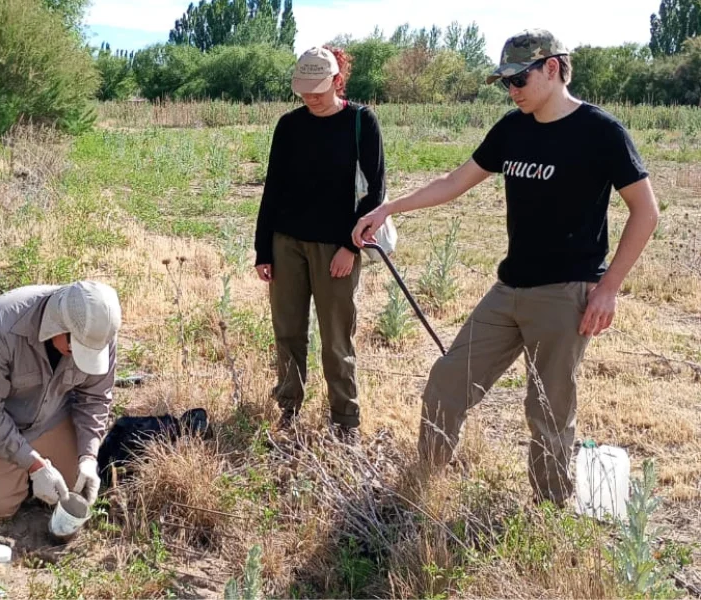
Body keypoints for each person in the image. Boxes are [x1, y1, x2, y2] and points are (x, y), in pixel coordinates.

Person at [352, 29, 659, 505]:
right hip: (509, 288)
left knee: (549, 410)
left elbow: (646, 211)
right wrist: (390, 209)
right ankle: (420, 490)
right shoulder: (512, 128)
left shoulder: (600, 132)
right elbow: (456, 181)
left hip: (566, 293)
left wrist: (608, 288)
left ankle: (551, 509)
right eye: (505, 83)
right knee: (447, 382)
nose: (512, 91)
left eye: (519, 79)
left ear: (552, 68)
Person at [254, 45, 387, 440]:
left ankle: (345, 421)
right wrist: (264, 250)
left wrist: (351, 247)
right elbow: (273, 188)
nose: (311, 96)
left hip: (337, 248)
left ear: (337, 81)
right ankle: (288, 409)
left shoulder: (362, 122)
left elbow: (374, 192)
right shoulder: (289, 126)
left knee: (336, 337)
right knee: (288, 332)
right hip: (286, 243)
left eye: (318, 88)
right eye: (304, 89)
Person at [0, 280, 121, 522]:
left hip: (50, 419)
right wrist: (34, 465)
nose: (79, 355)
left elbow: (95, 398)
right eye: (75, 346)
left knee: (75, 487)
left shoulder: (100, 332)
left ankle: (30, 471)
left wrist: (88, 457)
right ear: (57, 325)